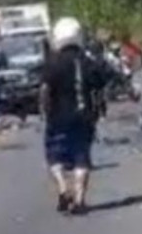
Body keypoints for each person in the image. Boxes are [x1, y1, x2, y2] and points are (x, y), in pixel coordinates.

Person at [40, 17, 106, 215]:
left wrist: (45, 110)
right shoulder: (87, 62)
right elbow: (99, 85)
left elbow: (44, 90)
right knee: (81, 157)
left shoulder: (52, 62)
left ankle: (63, 188)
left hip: (57, 117)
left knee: (54, 156)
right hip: (84, 117)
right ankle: (79, 200)